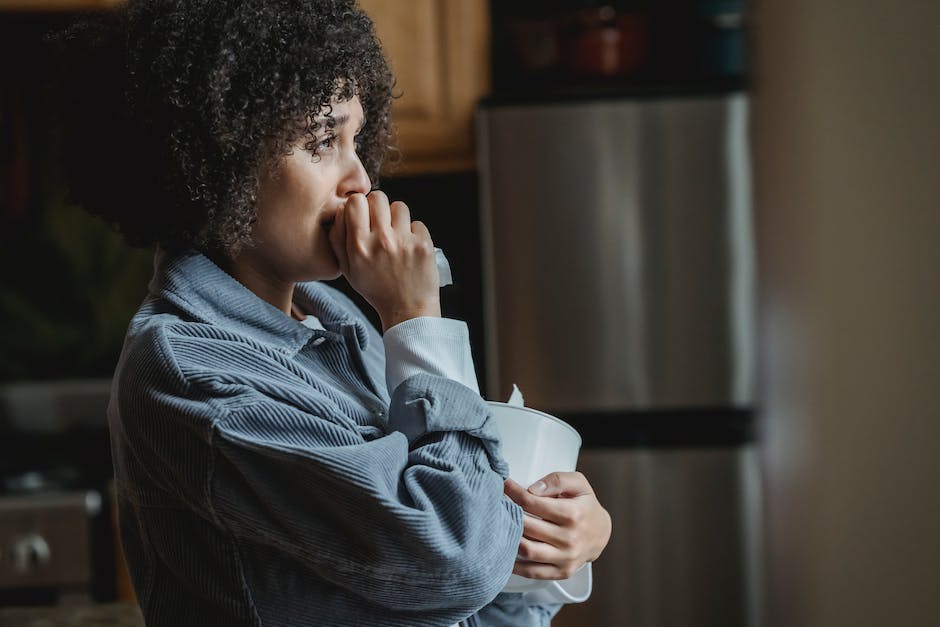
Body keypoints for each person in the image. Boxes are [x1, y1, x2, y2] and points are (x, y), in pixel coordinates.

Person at [55, 1, 611, 625]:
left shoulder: (341, 329)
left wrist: (548, 555)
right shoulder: (190, 372)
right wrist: (416, 316)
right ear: (220, 161)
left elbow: (462, 600)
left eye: (356, 139)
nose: (360, 179)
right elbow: (457, 560)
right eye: (322, 142)